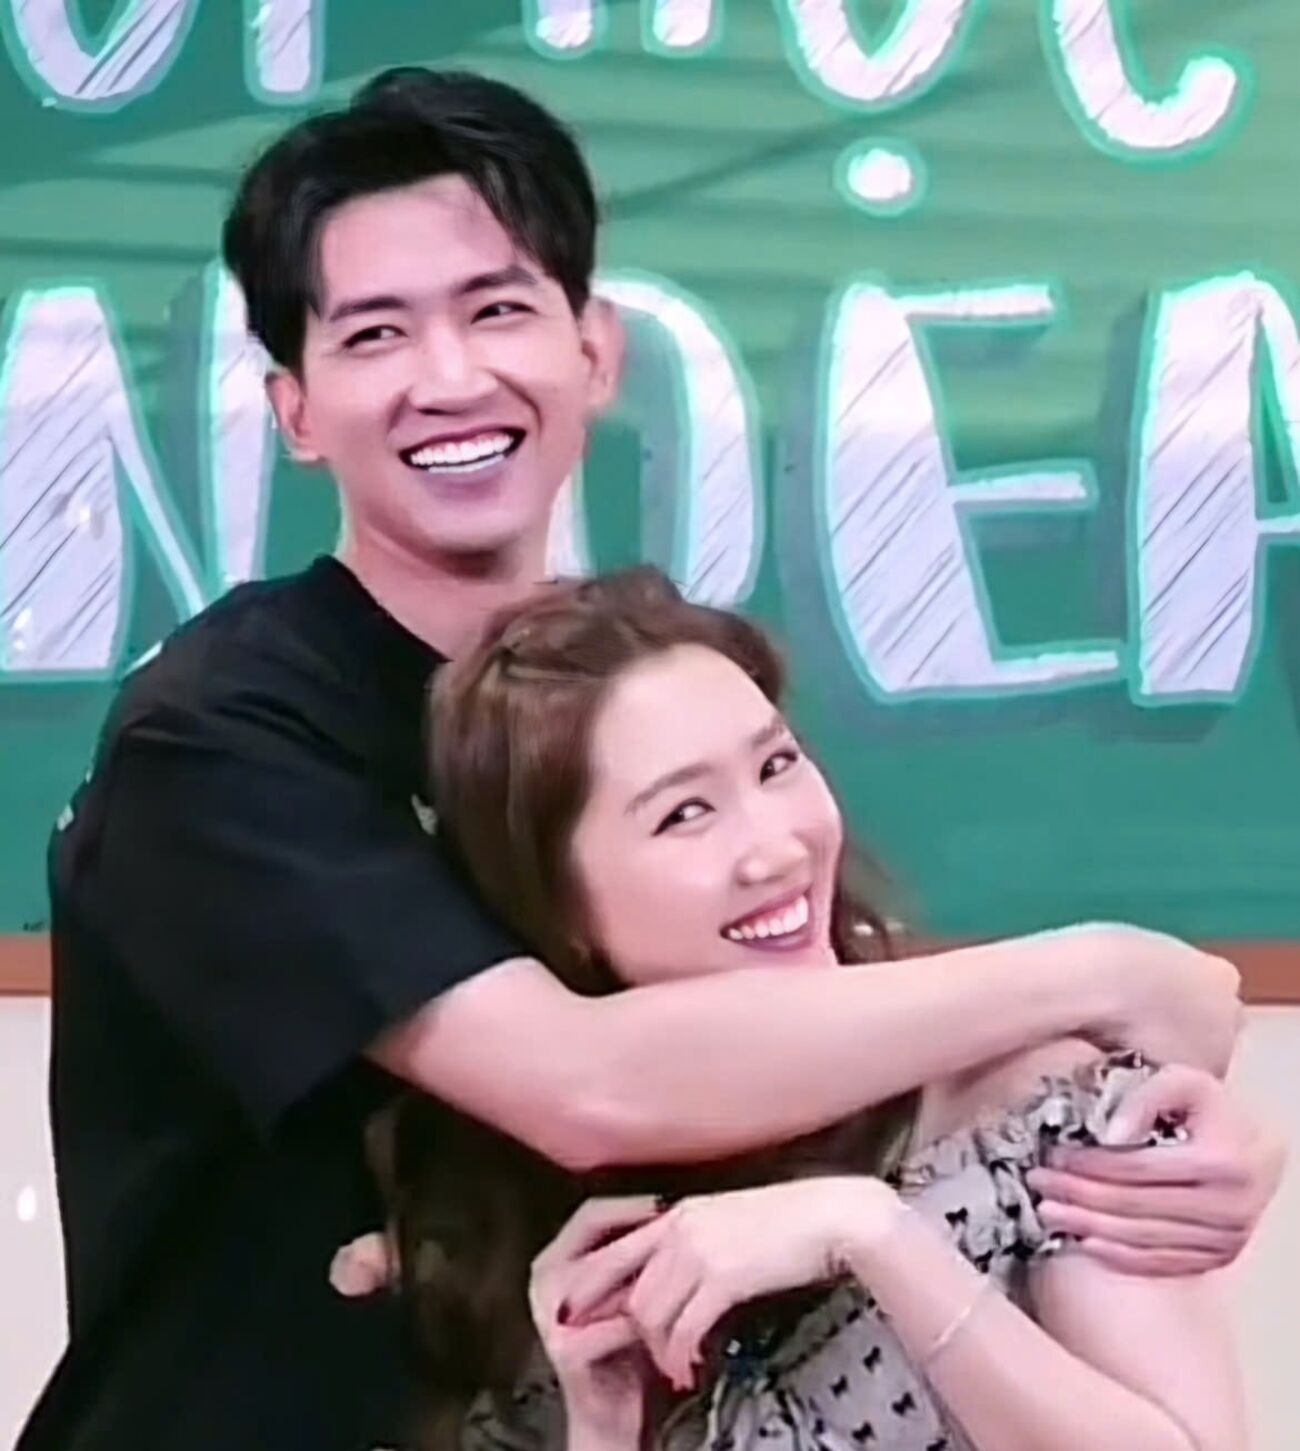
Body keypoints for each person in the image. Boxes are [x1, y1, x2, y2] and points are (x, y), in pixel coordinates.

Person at [16, 68, 1276, 1451]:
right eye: (375, 333)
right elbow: (592, 1080)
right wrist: (1102, 972)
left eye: (498, 309)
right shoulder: (223, 735)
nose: (451, 378)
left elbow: (792, 1025)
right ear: (296, 410)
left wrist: (1118, 1125)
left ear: (596, 351)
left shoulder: (631, 693)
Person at [338, 567, 1254, 1451]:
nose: (778, 848)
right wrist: (606, 1428)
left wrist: (875, 1235)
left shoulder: (1039, 1109)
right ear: (563, 912)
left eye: (776, 764)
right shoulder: (540, 1243)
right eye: (685, 813)